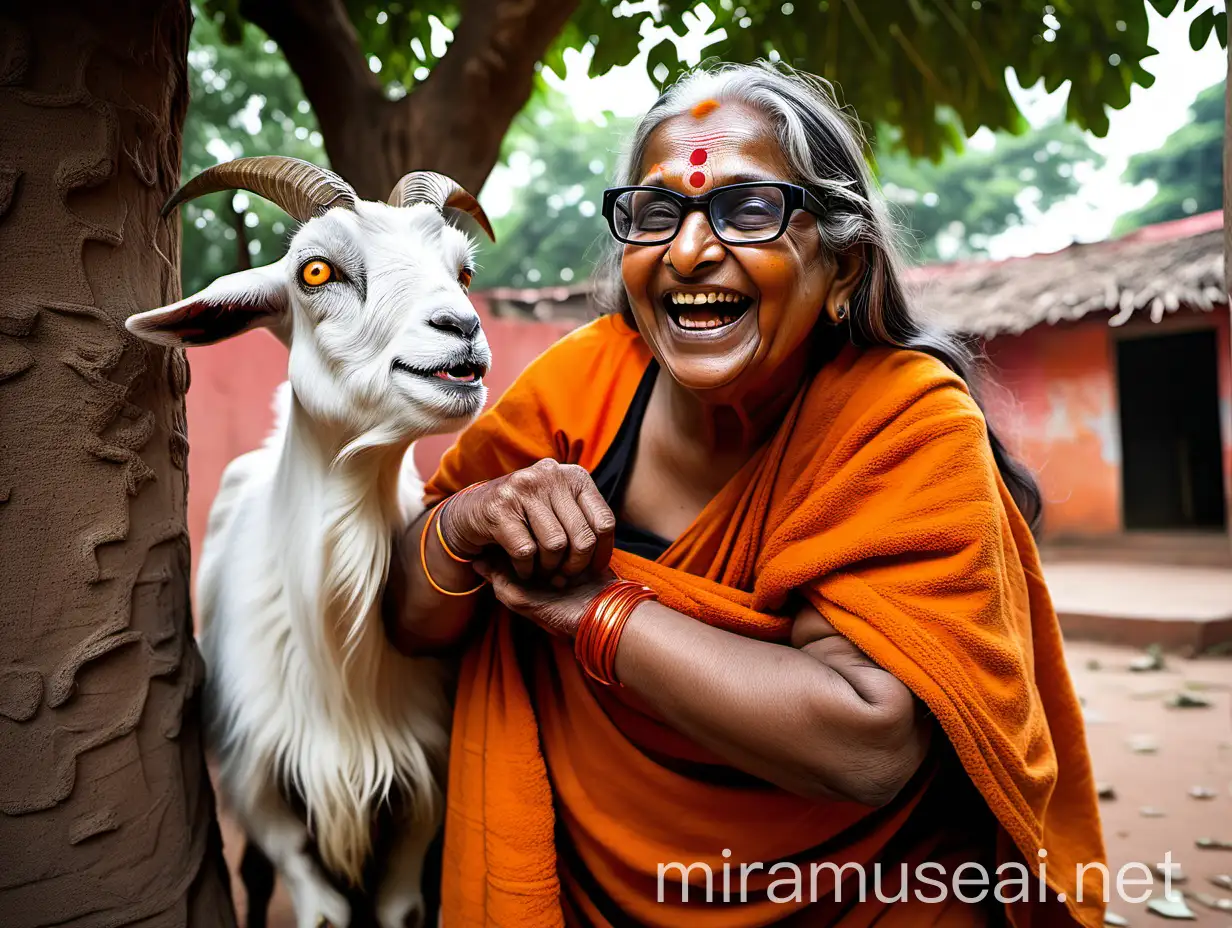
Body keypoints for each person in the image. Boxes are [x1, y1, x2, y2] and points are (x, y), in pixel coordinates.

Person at [387, 62, 1105, 927]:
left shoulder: (904, 417)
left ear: (841, 266)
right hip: (580, 892)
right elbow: (414, 618)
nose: (689, 251)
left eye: (749, 207)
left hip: (867, 900)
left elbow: (868, 742)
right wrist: (464, 520)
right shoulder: (582, 383)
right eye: (657, 214)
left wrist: (593, 610)